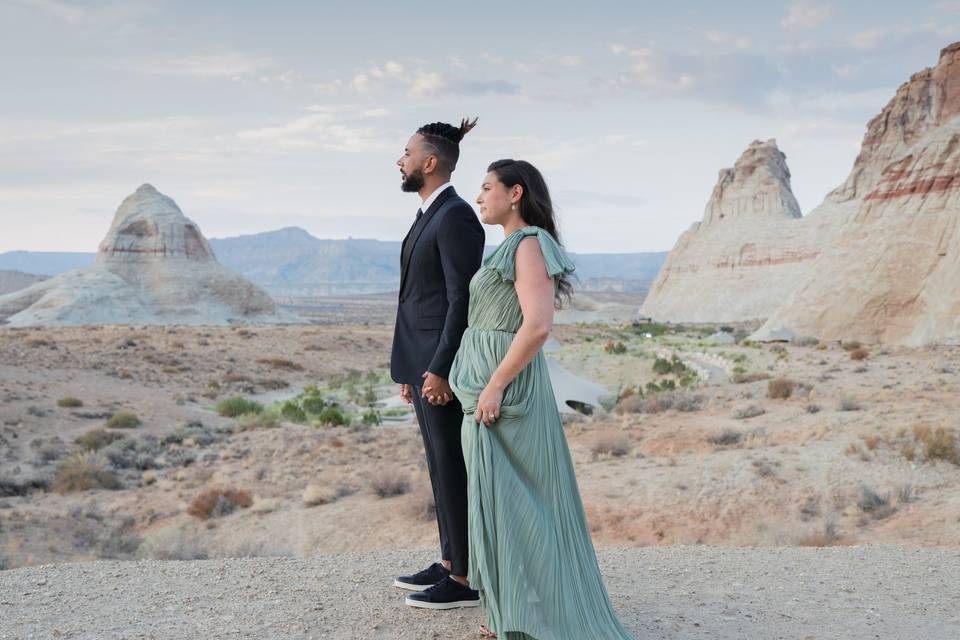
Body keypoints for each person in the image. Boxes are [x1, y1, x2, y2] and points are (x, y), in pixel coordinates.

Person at [448, 160, 636, 639]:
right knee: (494, 501)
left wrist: (494, 385)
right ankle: (506, 612)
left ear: (516, 193)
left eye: (488, 187)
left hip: (502, 394)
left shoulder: (529, 244)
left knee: (515, 504)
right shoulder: (511, 245)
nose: (480, 196)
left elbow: (538, 325)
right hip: (484, 390)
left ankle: (522, 616)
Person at [389, 118, 486, 610]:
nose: (399, 161)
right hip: (421, 363)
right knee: (438, 462)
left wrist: (441, 368)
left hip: (441, 366)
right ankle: (451, 561)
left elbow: (458, 300)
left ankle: (465, 579)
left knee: (451, 464)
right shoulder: (430, 213)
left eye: (406, 153)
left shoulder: (455, 216)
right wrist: (410, 368)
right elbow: (415, 299)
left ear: (430, 163)